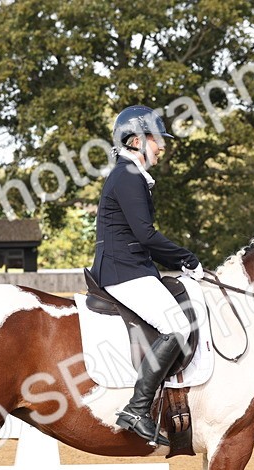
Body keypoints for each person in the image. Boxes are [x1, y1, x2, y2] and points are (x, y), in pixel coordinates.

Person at [91, 105, 201, 446]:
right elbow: (145, 235)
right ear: (136, 140)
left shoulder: (130, 174)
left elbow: (142, 237)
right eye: (157, 140)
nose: (162, 147)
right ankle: (137, 409)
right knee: (178, 326)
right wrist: (187, 259)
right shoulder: (128, 175)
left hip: (130, 267)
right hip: (122, 270)